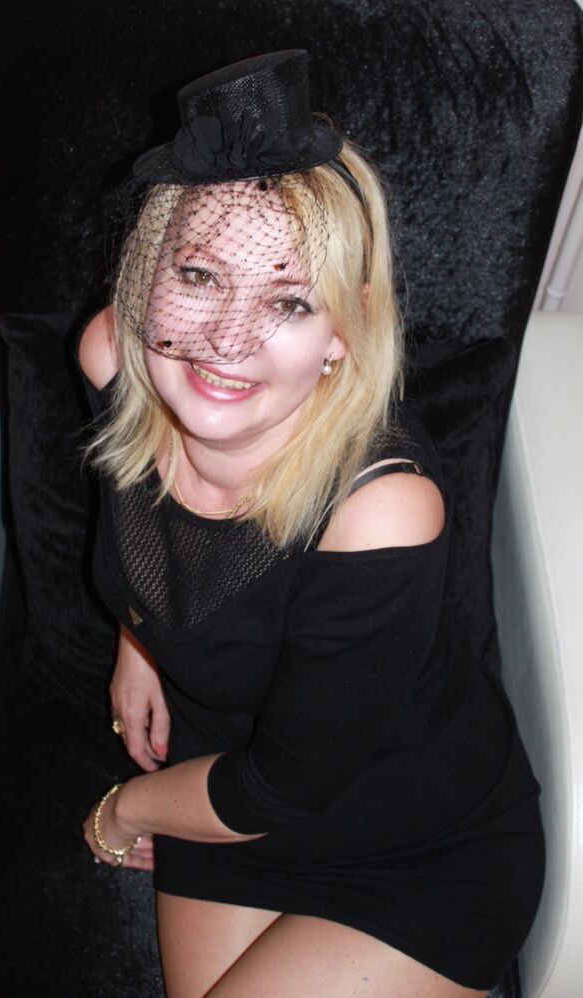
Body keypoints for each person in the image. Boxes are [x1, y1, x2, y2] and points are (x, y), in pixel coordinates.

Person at [80, 50, 544, 997]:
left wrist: (124, 812)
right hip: (222, 782)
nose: (225, 340)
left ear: (344, 331)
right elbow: (141, 537)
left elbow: (274, 790)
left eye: (289, 301)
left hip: (413, 838)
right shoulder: (116, 362)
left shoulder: (379, 510)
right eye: (199, 275)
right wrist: (140, 643)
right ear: (143, 277)